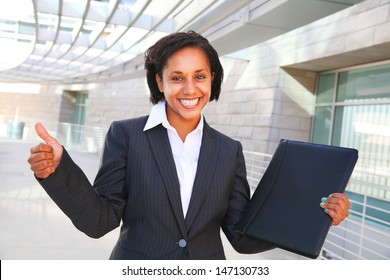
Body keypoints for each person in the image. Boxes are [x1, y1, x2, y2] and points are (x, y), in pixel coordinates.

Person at [27, 31, 350, 260]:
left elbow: (241, 236)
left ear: (212, 79)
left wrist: (317, 215)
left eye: (200, 76)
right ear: (160, 81)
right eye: (177, 77)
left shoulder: (228, 150)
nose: (190, 88)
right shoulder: (126, 135)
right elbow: (100, 221)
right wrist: (58, 172)